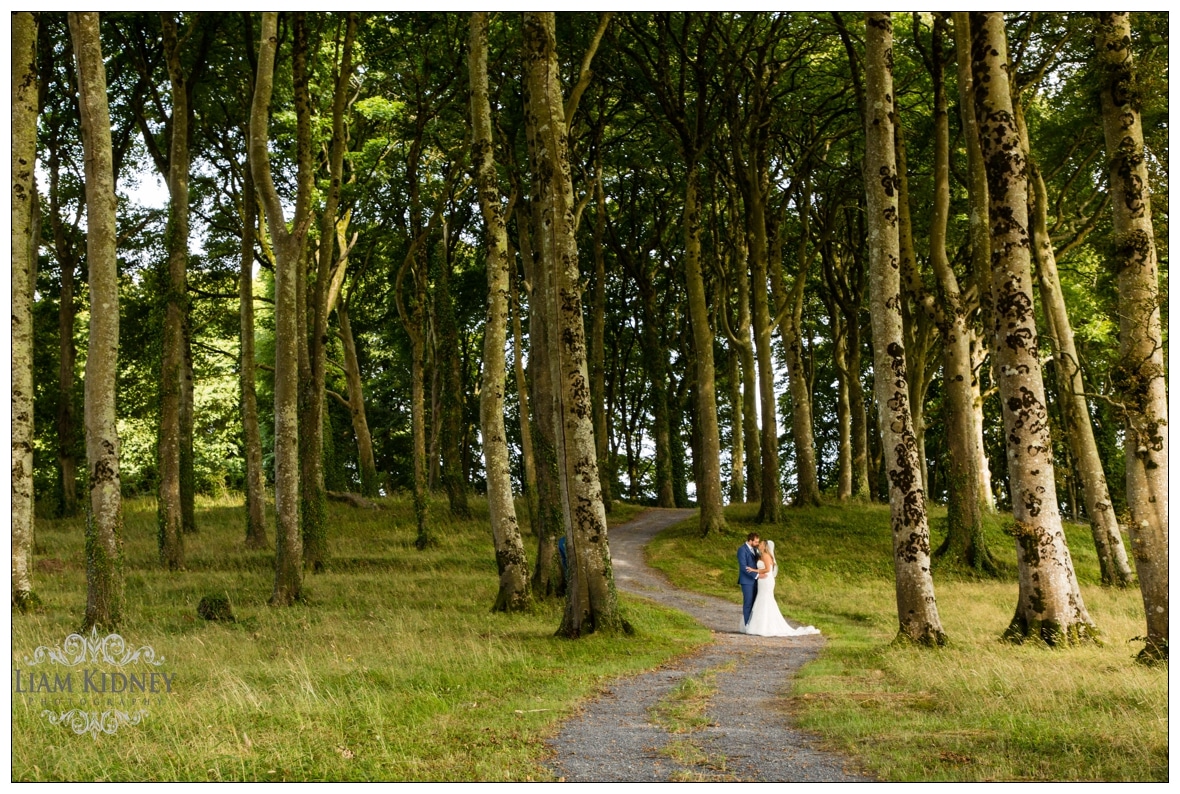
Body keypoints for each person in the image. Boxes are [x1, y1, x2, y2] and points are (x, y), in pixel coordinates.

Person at [743, 539, 821, 637]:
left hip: (766, 580)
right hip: (762, 580)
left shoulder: (766, 556)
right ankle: (761, 625)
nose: (759, 545)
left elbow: (767, 569)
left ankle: (765, 626)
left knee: (766, 599)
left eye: (761, 544)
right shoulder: (761, 555)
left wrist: (754, 570)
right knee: (761, 599)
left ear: (765, 546)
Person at [737, 532, 761, 631]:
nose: (757, 543)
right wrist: (757, 575)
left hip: (756, 581)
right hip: (747, 581)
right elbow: (743, 567)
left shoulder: (755, 550)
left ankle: (754, 625)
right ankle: (747, 625)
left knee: (755, 603)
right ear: (750, 541)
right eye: (756, 541)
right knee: (748, 603)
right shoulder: (742, 550)